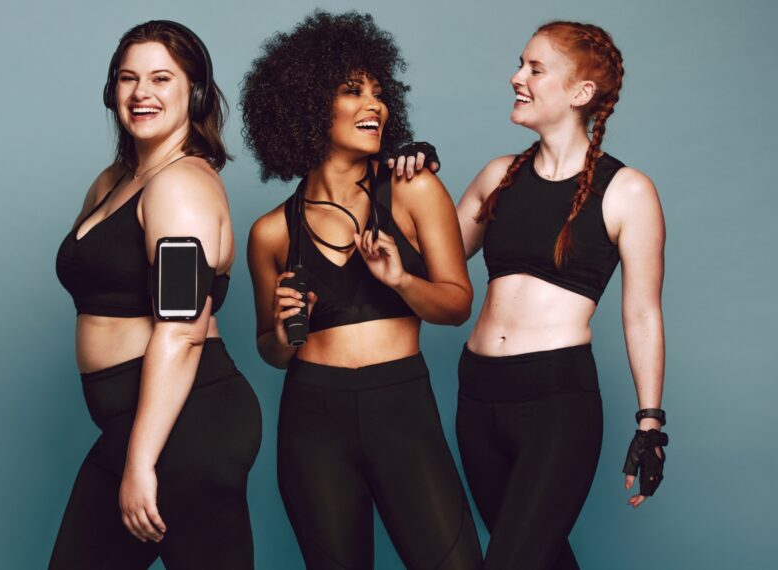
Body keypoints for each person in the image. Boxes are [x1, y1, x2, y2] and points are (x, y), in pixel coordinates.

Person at [241, 11, 483, 569]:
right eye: (354, 92)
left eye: (379, 92)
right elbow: (270, 352)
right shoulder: (271, 233)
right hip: (311, 421)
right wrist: (282, 332)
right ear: (306, 105)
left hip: (401, 407)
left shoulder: (413, 188)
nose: (375, 105)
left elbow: (457, 305)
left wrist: (400, 280)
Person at [454, 21, 668, 569]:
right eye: (520, 64)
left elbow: (641, 313)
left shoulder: (627, 191)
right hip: (477, 398)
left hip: (555, 404)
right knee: (538, 558)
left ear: (580, 93)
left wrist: (650, 422)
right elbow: (433, 269)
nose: (516, 77)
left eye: (534, 68)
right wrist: (407, 180)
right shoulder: (498, 176)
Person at [50, 20, 261, 569]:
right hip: (131, 425)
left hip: (188, 424)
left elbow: (181, 331)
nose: (141, 92)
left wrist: (142, 462)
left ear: (193, 92)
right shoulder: (115, 181)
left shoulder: (181, 187)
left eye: (161, 78)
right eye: (128, 78)